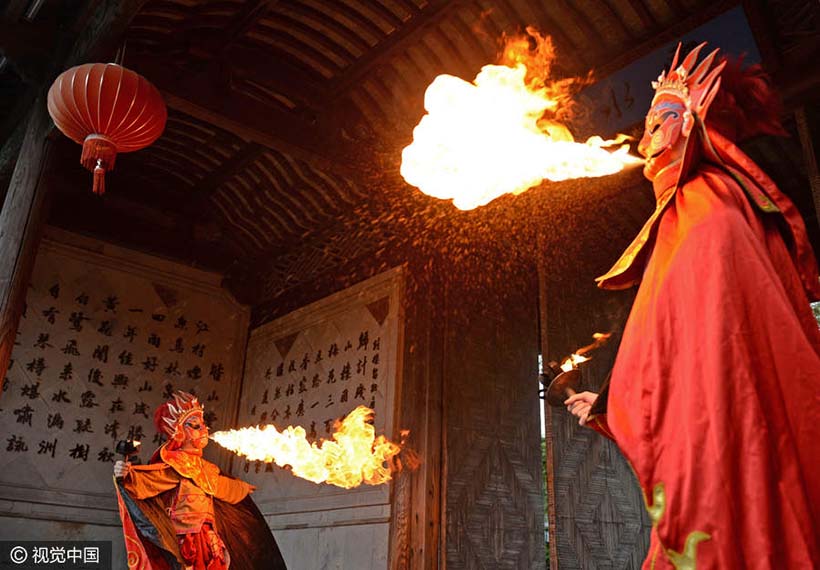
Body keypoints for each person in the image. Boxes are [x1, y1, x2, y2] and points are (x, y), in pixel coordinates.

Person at [566, 43, 820, 568]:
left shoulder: (708, 207)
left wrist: (622, 404)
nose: (647, 135)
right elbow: (676, 349)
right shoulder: (699, 208)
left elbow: (715, 356)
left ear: (692, 124)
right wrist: (613, 405)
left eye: (662, 118)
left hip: (732, 453)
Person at [114, 391, 288, 569]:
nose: (204, 429)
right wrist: (126, 474)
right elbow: (148, 481)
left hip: (209, 538)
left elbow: (220, 487)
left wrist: (241, 488)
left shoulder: (206, 468)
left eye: (203, 424)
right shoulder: (175, 464)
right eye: (196, 426)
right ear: (179, 431)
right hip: (185, 538)